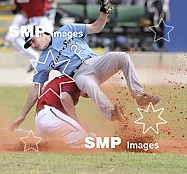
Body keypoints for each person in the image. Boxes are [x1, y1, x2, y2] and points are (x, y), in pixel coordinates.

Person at [12, 0, 160, 126]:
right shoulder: (43, 61)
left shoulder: (67, 30)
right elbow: (36, 90)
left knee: (122, 57)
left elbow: (96, 27)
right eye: (29, 44)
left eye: (32, 40)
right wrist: (23, 115)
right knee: (89, 85)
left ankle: (139, 96)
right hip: (80, 74)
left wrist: (103, 14)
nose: (33, 45)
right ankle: (112, 113)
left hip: (96, 61)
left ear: (41, 33)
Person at [9, 76, 94, 148]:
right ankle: (62, 145)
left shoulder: (63, 79)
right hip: (50, 115)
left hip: (42, 119)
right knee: (86, 138)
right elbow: (65, 98)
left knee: (77, 135)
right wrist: (79, 122)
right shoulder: (73, 82)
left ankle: (51, 144)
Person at [1, 0, 54, 73]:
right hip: (34, 21)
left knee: (51, 46)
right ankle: (36, 59)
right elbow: (15, 10)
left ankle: (36, 59)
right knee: (15, 36)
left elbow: (52, 2)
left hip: (43, 20)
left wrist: (53, 7)